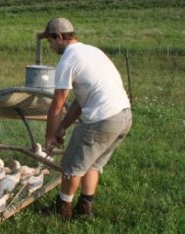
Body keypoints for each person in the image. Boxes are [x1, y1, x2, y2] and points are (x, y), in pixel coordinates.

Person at [38, 17, 132, 219]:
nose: (50, 46)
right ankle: (84, 208)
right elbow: (80, 102)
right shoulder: (92, 51)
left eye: (50, 41)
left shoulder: (68, 59)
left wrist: (49, 137)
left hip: (103, 119)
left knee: (71, 166)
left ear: (59, 37)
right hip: (124, 115)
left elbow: (57, 104)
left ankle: (62, 210)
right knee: (92, 164)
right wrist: (62, 127)